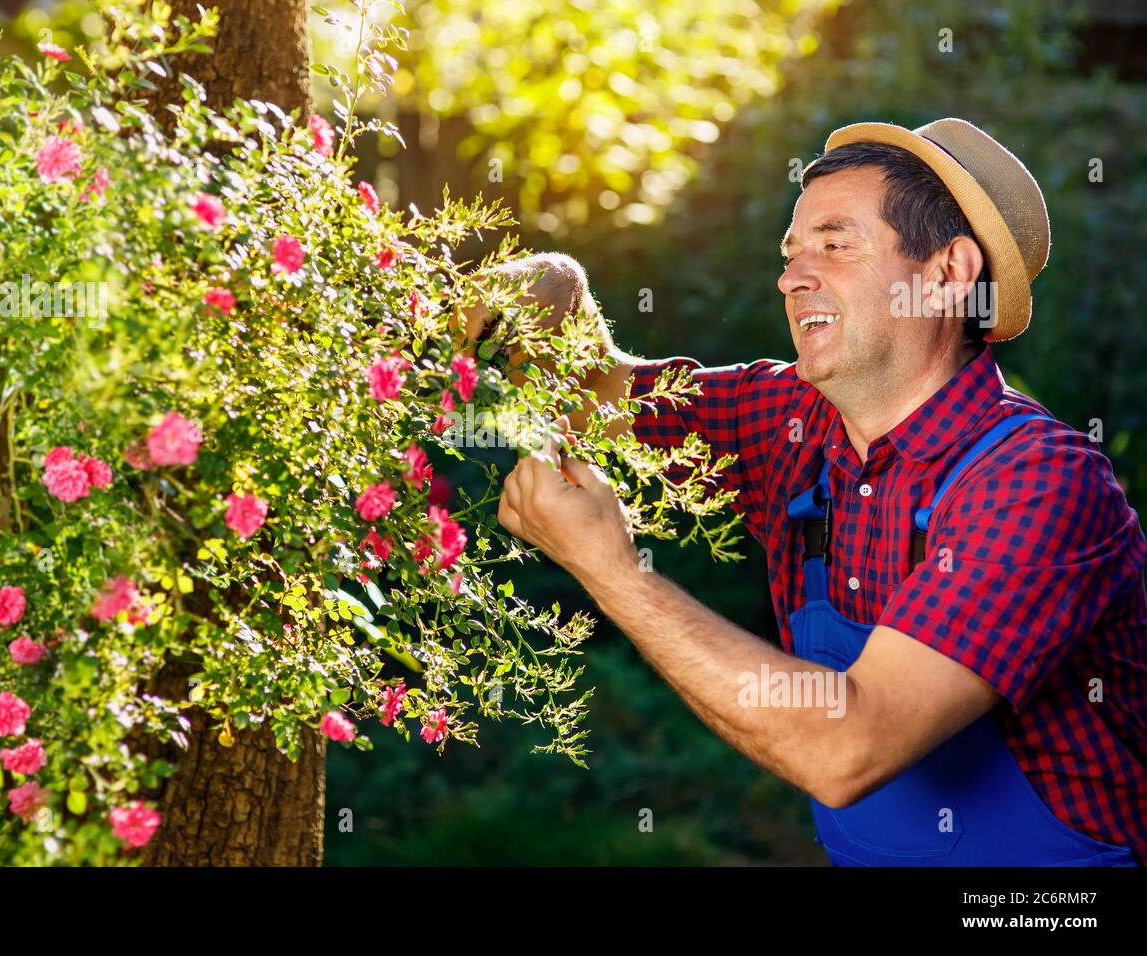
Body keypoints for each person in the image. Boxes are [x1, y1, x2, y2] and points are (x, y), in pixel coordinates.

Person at [471, 118, 1147, 866]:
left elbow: (847, 748)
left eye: (836, 243)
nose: (793, 276)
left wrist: (612, 571)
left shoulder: (1039, 484)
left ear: (949, 272)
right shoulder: (791, 421)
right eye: (791, 252)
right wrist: (553, 291)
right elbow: (594, 388)